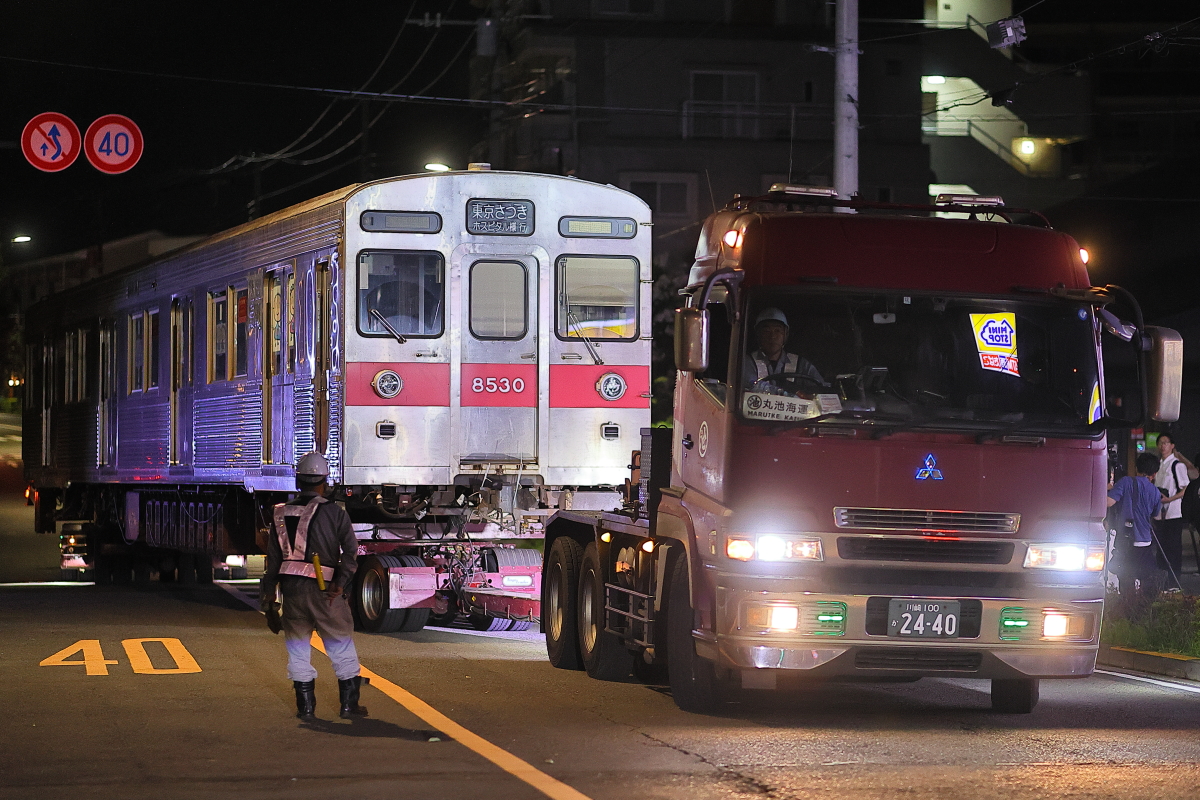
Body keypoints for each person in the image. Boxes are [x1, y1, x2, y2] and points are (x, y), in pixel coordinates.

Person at [260, 451, 367, 721]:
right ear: (324, 481)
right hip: (325, 591)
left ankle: (305, 708)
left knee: (297, 647)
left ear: (298, 480)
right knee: (340, 644)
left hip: (292, 592)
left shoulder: (280, 513)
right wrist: (341, 584)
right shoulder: (335, 513)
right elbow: (351, 553)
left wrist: (269, 598)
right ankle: (348, 705)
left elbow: (273, 561)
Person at [1107, 452, 1163, 598]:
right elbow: (1157, 515)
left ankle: (1127, 612)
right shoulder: (1156, 492)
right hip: (1145, 541)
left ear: (1137, 468)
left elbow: (1108, 502)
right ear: (1154, 474)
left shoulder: (1126, 482)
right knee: (1148, 579)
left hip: (1126, 540)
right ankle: (1143, 612)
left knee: (1126, 580)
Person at [742, 307, 825, 391]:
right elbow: (746, 385)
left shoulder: (801, 365)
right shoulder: (747, 363)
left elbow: (823, 389)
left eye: (777, 331)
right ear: (758, 334)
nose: (772, 336)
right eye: (766, 331)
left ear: (785, 334)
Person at [1153, 434, 1190, 590]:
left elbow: (1185, 488)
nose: (1163, 446)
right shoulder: (1159, 465)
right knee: (1161, 550)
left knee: (1173, 549)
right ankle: (1163, 583)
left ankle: (1174, 583)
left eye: (1166, 443)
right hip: (1160, 514)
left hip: (1173, 513)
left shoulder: (1177, 465)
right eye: (1160, 443)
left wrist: (1171, 499)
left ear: (1172, 445)